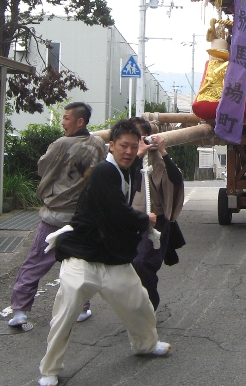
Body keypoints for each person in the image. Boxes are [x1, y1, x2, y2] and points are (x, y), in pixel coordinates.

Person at [37, 119, 171, 386]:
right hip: (83, 255)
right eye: (123, 146)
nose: (129, 151)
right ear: (111, 145)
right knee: (67, 311)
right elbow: (116, 211)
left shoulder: (126, 170)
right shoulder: (103, 171)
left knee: (138, 304)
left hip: (112, 257)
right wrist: (144, 219)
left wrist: (153, 150)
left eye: (133, 146)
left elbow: (122, 202)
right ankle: (49, 369)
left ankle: (145, 344)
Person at [8, 102, 105, 328]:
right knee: (81, 265)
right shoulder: (99, 144)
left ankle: (20, 310)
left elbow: (43, 168)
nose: (62, 122)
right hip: (84, 216)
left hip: (56, 214)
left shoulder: (61, 143)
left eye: (66, 118)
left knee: (36, 261)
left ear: (79, 121)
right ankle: (81, 308)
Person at [129, 117, 185, 310]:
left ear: (144, 136)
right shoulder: (123, 157)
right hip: (128, 218)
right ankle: (137, 302)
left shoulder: (155, 159)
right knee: (125, 264)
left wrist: (162, 151)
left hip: (154, 218)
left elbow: (176, 180)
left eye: (135, 135)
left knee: (142, 262)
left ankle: (149, 305)